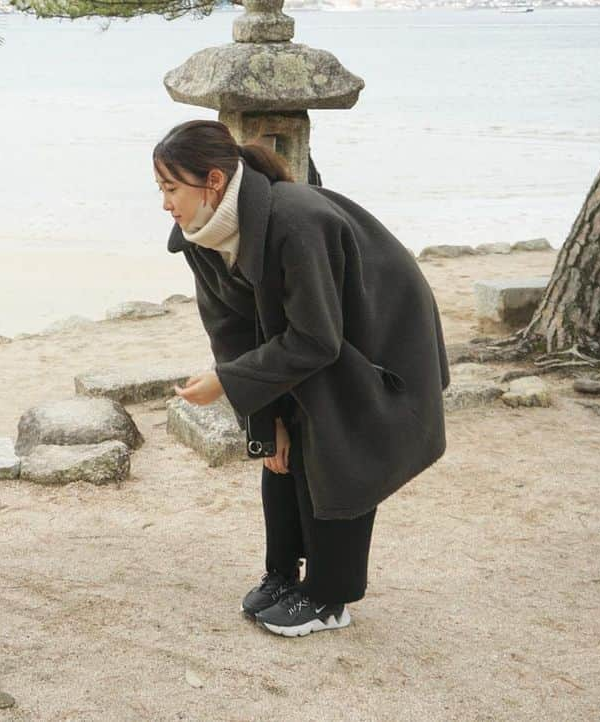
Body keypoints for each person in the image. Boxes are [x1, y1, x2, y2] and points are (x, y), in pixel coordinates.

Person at [156, 120, 451, 637]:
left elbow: (317, 340)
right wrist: (266, 424)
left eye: (171, 188)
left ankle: (329, 598)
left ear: (214, 182)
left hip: (381, 341)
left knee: (335, 441)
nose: (165, 203)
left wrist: (226, 382)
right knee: (278, 446)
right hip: (321, 336)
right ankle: (282, 574)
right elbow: (230, 334)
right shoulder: (198, 238)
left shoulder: (295, 220)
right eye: (160, 189)